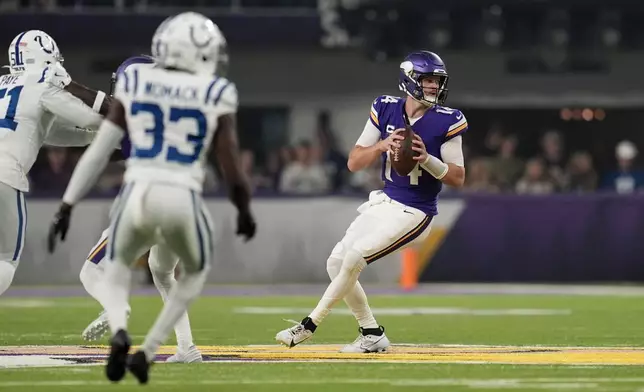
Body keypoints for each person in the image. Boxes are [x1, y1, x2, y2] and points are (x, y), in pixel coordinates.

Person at [48, 12, 256, 383]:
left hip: (138, 197)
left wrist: (67, 204)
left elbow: (98, 152)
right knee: (177, 273)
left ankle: (120, 325)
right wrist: (243, 207)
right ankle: (168, 348)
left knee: (105, 271)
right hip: (183, 200)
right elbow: (229, 160)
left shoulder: (135, 93)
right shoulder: (215, 92)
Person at [275, 51, 467, 353]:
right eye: (427, 80)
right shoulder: (385, 108)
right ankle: (371, 333)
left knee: (354, 258)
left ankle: (309, 324)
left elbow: (457, 177)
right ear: (410, 80)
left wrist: (426, 159)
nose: (433, 87)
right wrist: (381, 145)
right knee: (336, 262)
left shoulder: (448, 120)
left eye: (437, 81)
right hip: (385, 202)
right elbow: (353, 162)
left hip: (416, 211)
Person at [0, 30, 108, 297]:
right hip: (4, 174)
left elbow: (49, 132)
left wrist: (91, 139)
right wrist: (115, 134)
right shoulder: (41, 84)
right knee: (5, 260)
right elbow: (89, 119)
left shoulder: (3, 85)